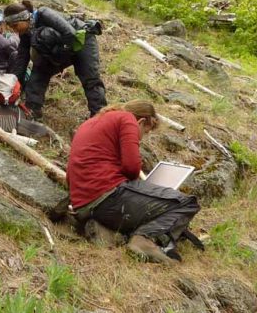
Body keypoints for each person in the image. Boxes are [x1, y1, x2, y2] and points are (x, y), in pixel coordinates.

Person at [66, 100, 200, 264]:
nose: (142, 137)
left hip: (82, 203)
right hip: (107, 194)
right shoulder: (127, 119)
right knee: (186, 203)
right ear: (142, 121)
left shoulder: (93, 121)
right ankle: (144, 239)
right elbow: (131, 167)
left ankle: (120, 234)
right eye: (145, 131)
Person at [3, 0, 106, 119]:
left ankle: (99, 116)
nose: (14, 30)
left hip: (82, 41)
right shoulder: (25, 34)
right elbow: (22, 60)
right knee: (38, 74)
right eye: (11, 28)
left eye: (15, 26)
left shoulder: (44, 14)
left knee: (90, 79)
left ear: (25, 18)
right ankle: (32, 110)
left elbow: (70, 33)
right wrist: (13, 83)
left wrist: (58, 57)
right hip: (60, 49)